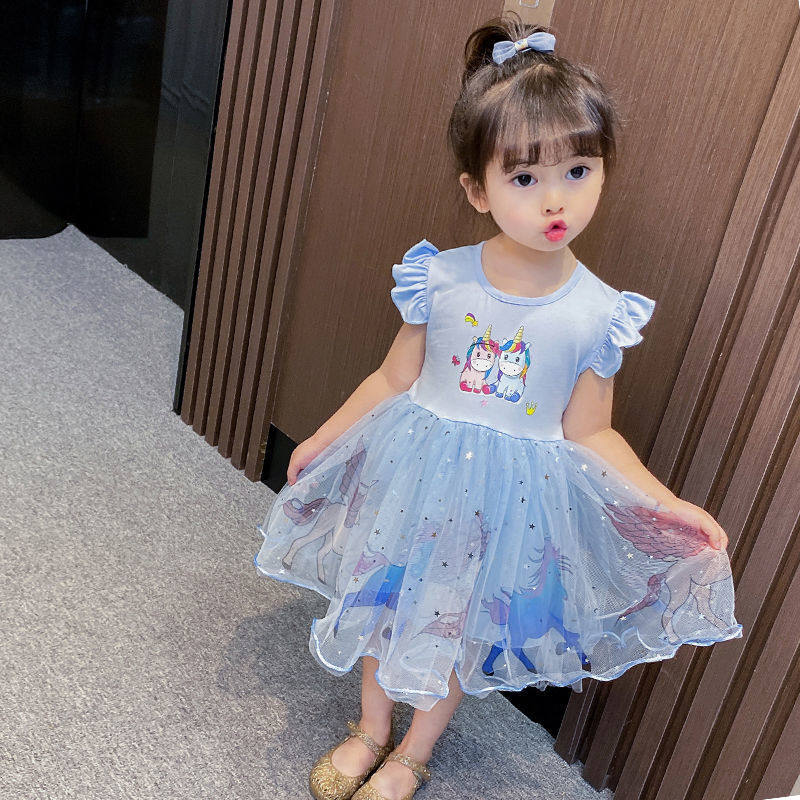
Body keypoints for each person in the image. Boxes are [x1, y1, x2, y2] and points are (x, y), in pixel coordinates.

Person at [253, 13, 743, 800]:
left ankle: (413, 751)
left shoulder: (599, 312)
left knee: (456, 629)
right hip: (415, 481)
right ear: (477, 191)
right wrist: (324, 437)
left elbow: (591, 430)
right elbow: (392, 378)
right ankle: (370, 728)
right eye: (524, 179)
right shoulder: (440, 277)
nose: (555, 199)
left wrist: (667, 503)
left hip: (508, 509)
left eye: (577, 170)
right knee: (386, 603)